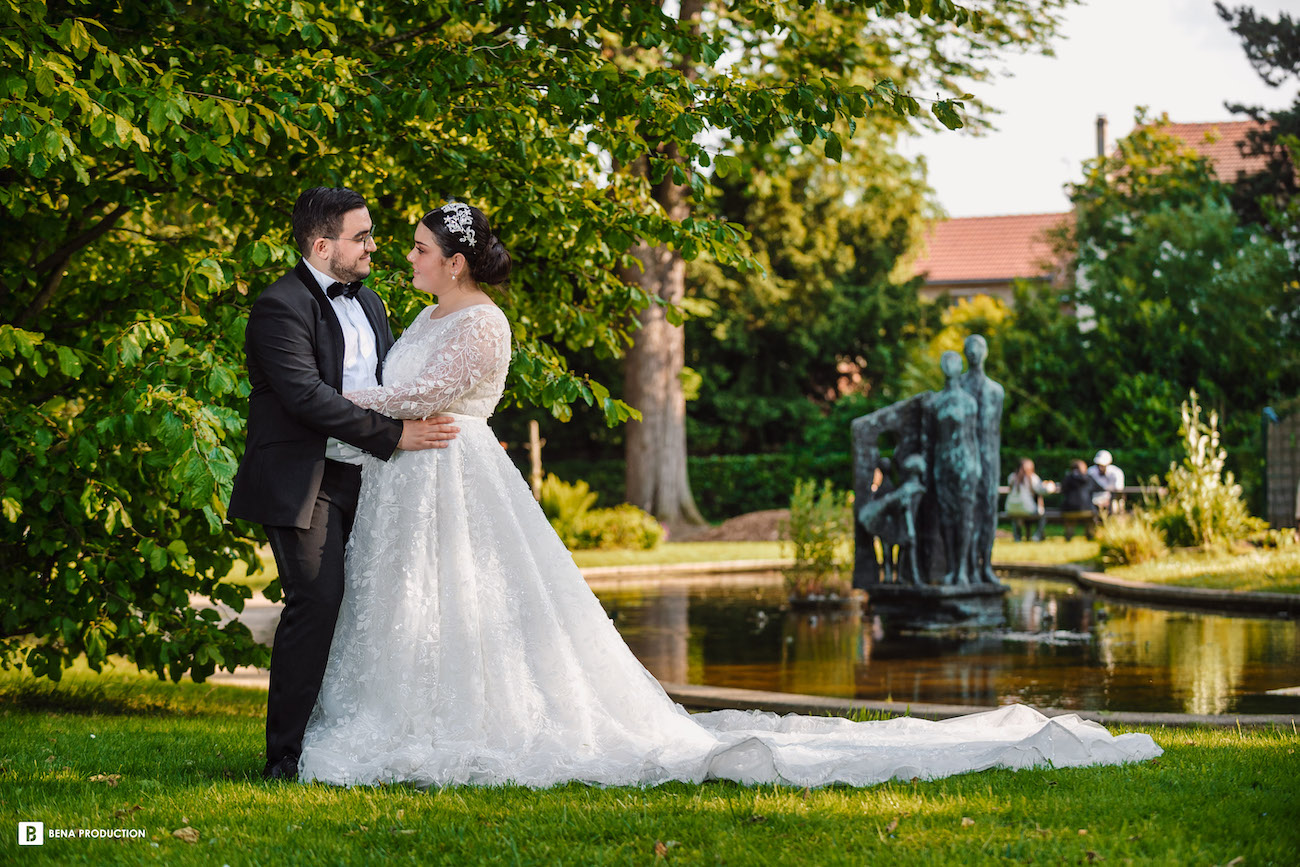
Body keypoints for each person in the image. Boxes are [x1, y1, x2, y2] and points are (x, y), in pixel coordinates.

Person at [296, 203, 1161, 789]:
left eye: (414, 248)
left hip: (456, 476)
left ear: (452, 261)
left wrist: (312, 396)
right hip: (408, 482)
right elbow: (395, 388)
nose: (402, 257)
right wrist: (338, 404)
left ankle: (463, 720)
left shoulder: (484, 320)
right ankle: (402, 712)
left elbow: (415, 399)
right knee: (413, 609)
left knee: (474, 600)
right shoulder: (420, 314)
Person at [228, 187, 460, 781]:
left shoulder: (374, 303)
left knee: (373, 609)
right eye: (362, 237)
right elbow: (306, 398)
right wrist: (394, 435)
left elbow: (389, 380)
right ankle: (285, 755)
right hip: (307, 479)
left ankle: (352, 740)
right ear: (321, 243)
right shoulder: (279, 305)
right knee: (316, 602)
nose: (374, 247)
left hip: (376, 479)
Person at [1004, 458, 1054, 542]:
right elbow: (1042, 490)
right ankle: (1036, 536)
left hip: (1010, 508)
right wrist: (1051, 486)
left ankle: (1017, 537)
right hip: (1026, 508)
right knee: (1042, 515)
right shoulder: (1032, 477)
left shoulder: (1011, 477)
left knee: (1015, 516)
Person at [1059, 459, 1100, 541]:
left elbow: (1062, 489)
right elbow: (1100, 488)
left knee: (1070, 518)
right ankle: (1090, 535)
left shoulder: (1068, 478)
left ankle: (1068, 535)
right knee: (1092, 515)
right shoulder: (1089, 478)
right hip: (1087, 509)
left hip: (1069, 509)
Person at [1088, 449, 1125, 514]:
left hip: (1112, 501)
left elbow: (1118, 491)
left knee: (1115, 506)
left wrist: (1107, 501)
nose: (1100, 468)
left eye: (1102, 465)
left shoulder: (1116, 473)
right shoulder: (1091, 472)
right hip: (1094, 501)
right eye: (1098, 465)